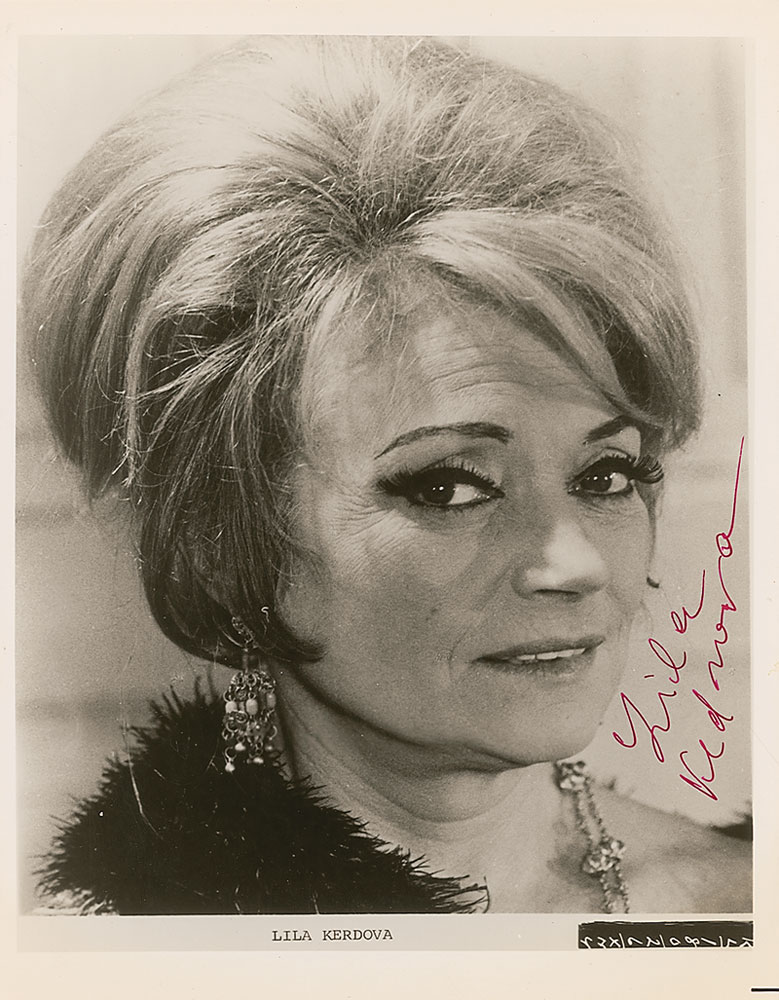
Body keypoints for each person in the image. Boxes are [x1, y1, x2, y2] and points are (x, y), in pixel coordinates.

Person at [24, 35, 751, 915]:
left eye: (605, 474)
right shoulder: (116, 950)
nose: (575, 564)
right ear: (219, 540)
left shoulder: (743, 908)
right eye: (449, 486)